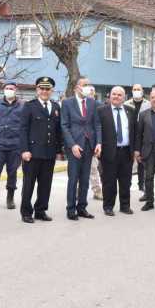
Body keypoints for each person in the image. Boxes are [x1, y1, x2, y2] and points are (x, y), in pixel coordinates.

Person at [19, 77, 63, 223]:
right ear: (37, 90)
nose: (44, 91)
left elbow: (58, 131)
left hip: (49, 153)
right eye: (42, 88)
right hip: (32, 153)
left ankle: (40, 210)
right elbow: (23, 129)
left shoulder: (56, 107)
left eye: (47, 89)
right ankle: (26, 212)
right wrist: (24, 149)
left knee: (45, 184)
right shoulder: (29, 106)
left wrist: (58, 150)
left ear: (52, 91)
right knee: (28, 185)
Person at [61, 76, 102, 220]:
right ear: (77, 87)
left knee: (85, 179)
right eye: (85, 84)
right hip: (75, 147)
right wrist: (72, 145)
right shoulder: (67, 103)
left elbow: (97, 124)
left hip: (89, 145)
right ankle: (71, 209)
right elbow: (64, 125)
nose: (88, 87)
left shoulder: (93, 103)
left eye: (89, 84)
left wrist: (98, 143)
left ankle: (82, 207)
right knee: (73, 179)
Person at [97, 86, 136, 216]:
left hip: (126, 152)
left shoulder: (130, 110)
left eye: (119, 95)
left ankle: (125, 206)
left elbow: (134, 132)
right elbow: (97, 131)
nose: (116, 97)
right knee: (109, 181)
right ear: (109, 95)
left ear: (124, 97)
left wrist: (135, 150)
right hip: (109, 152)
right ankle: (108, 206)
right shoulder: (101, 111)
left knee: (126, 181)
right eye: (114, 94)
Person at [0, 81, 24, 210]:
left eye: (11, 88)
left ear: (16, 90)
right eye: (7, 88)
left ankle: (10, 198)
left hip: (15, 145)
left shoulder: (22, 106)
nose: (9, 90)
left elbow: (25, 126)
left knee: (12, 172)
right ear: (3, 90)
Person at [124, 84, 151, 194]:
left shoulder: (148, 104)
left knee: (142, 162)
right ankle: (127, 184)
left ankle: (141, 184)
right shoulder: (126, 104)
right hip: (130, 135)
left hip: (144, 135)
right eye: (134, 89)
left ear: (142, 91)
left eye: (138, 89)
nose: (136, 91)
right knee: (129, 162)